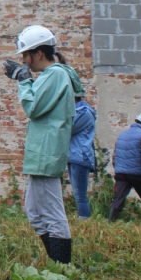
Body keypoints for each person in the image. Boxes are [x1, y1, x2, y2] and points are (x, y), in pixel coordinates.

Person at [3, 25, 75, 264]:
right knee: (34, 212)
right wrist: (26, 79)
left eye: (25, 55)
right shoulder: (50, 76)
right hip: (41, 152)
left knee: (52, 214)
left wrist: (23, 81)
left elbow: (33, 108)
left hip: (47, 152)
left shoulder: (55, 75)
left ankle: (62, 267)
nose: (24, 61)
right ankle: (56, 262)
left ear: (39, 53)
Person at [52, 53, 95, 219]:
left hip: (80, 156)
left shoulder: (83, 112)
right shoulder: (76, 111)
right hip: (72, 155)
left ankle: (85, 220)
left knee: (80, 194)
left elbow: (65, 129)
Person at [108, 113, 141, 220]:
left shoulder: (122, 135)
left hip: (121, 174)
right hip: (137, 174)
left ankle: (110, 221)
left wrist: (118, 170)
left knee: (118, 200)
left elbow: (115, 157)